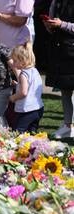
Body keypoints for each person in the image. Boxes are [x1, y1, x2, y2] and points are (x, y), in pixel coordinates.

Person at [44, 0, 74, 138]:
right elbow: (53, 23)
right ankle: (67, 125)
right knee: (65, 89)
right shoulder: (56, 2)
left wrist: (62, 24)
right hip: (61, 49)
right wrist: (49, 25)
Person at [9, 42, 44, 133]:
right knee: (32, 132)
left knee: (18, 132)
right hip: (38, 108)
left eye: (15, 60)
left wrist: (13, 97)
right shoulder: (34, 71)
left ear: (22, 61)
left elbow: (24, 92)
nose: (13, 63)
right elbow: (31, 86)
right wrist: (18, 85)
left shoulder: (23, 75)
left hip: (27, 110)